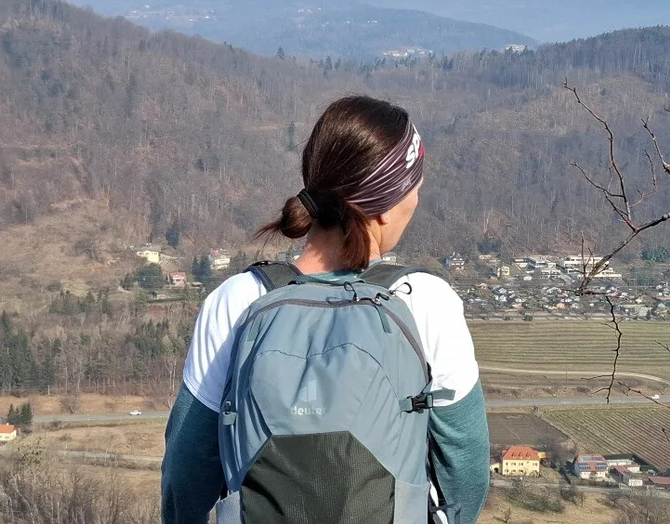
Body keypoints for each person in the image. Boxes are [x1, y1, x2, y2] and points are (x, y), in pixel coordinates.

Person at [162, 95, 489, 524]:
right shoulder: (425, 300)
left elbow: (186, 474)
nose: (417, 202)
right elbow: (464, 467)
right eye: (415, 189)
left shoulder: (236, 300)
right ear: (386, 206)